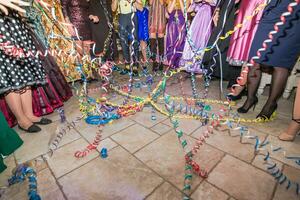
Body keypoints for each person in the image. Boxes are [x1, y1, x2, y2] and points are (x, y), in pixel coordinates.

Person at [237, 0, 300, 120]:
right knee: (255, 60)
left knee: (280, 64)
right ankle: (251, 98)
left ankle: (270, 104)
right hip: (274, 10)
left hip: (295, 16)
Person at [0, 0, 52, 133]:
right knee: (11, 76)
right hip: (2, 29)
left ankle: (29, 115)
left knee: (25, 73)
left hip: (14, 24)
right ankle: (22, 120)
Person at [226, 0, 266, 100]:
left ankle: (243, 88)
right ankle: (240, 85)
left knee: (251, 48)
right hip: (247, 6)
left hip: (258, 5)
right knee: (243, 44)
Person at [181, 0, 217, 74]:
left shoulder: (208, 5)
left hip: (207, 16)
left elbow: (215, 2)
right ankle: (190, 63)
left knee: (202, 39)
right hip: (198, 18)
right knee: (193, 38)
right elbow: (190, 9)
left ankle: (199, 65)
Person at [111, 0, 142, 75]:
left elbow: (141, 8)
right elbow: (113, 9)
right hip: (122, 17)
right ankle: (127, 65)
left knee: (135, 41)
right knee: (123, 42)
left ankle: (135, 65)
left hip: (133, 16)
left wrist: (132, 1)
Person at [165, 0, 189, 69]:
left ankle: (179, 62)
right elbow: (169, 11)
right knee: (171, 41)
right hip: (172, 22)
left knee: (181, 41)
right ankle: (171, 61)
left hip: (181, 22)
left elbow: (184, 11)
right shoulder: (170, 1)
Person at [148, 0, 166, 72]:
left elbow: (162, 3)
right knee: (152, 42)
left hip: (161, 17)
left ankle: (161, 62)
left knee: (161, 41)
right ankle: (154, 62)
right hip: (152, 17)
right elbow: (150, 3)